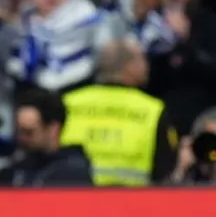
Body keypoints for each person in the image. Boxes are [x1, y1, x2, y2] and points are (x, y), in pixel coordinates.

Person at [60, 39, 177, 186]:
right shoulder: (152, 109)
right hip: (132, 204)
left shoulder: (69, 102)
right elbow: (166, 167)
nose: (147, 66)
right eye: (142, 59)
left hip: (71, 200)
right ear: (129, 67)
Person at [0, 86, 95, 187]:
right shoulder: (22, 165)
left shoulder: (72, 172)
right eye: (19, 131)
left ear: (53, 129)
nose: (21, 138)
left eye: (29, 132)